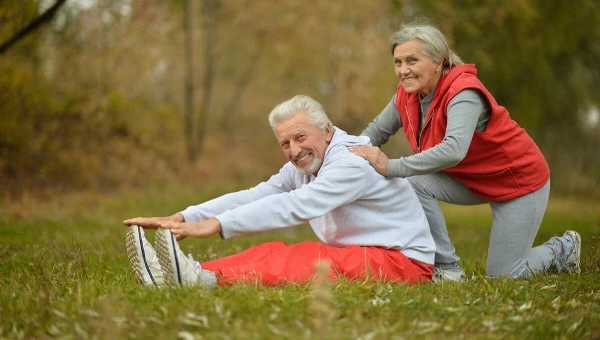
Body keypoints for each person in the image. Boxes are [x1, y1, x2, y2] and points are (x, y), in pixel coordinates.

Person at [123, 95, 436, 288]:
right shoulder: (305, 162)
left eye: (300, 136)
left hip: (403, 263)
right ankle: (182, 273)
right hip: (364, 253)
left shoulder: (351, 161)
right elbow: (257, 195)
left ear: (326, 130)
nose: (294, 150)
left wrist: (216, 226)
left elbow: (296, 205)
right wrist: (185, 216)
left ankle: (207, 282)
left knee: (308, 255)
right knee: (270, 250)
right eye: (285, 143)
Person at [349, 22, 581, 281]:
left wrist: (390, 166)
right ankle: (447, 268)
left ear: (439, 61)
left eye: (412, 60)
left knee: (505, 275)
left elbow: (453, 150)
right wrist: (343, 154)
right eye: (398, 62)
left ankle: (563, 249)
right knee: (412, 182)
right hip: (469, 179)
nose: (403, 70)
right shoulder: (406, 95)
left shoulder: (463, 92)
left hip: (518, 181)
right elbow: (376, 131)